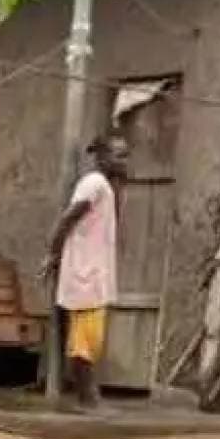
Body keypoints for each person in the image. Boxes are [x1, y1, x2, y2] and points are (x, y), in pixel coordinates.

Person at [46, 134, 129, 408]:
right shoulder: (94, 184)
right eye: (118, 155)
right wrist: (53, 253)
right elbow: (67, 219)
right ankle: (88, 398)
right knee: (85, 340)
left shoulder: (106, 186)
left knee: (88, 339)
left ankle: (88, 397)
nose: (123, 161)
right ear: (101, 157)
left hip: (92, 271)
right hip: (85, 272)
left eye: (125, 155)